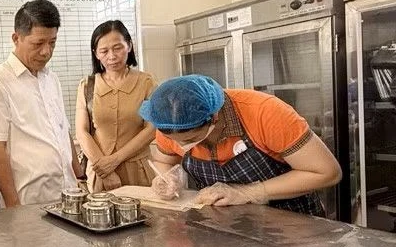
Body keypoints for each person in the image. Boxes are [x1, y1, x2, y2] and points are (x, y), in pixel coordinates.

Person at [140, 75, 342, 216]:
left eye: (189, 139)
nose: (179, 145)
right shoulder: (170, 121)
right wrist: (169, 178)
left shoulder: (265, 113)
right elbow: (163, 160)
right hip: (225, 228)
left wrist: (248, 193)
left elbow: (327, 172)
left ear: (214, 118)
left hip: (292, 222)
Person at [0, 0, 84, 207]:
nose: (46, 51)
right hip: (30, 200)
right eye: (38, 44)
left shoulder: (51, 79)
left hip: (68, 193)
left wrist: (80, 177)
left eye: (52, 42)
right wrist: (13, 207)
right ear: (16, 38)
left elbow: (63, 130)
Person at [75, 20, 156, 192]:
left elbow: (151, 129)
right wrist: (105, 170)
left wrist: (114, 160)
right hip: (100, 173)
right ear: (96, 54)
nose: (112, 56)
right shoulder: (87, 86)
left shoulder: (146, 83)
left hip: (138, 171)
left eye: (117, 48)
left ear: (129, 46)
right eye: (104, 51)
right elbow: (82, 132)